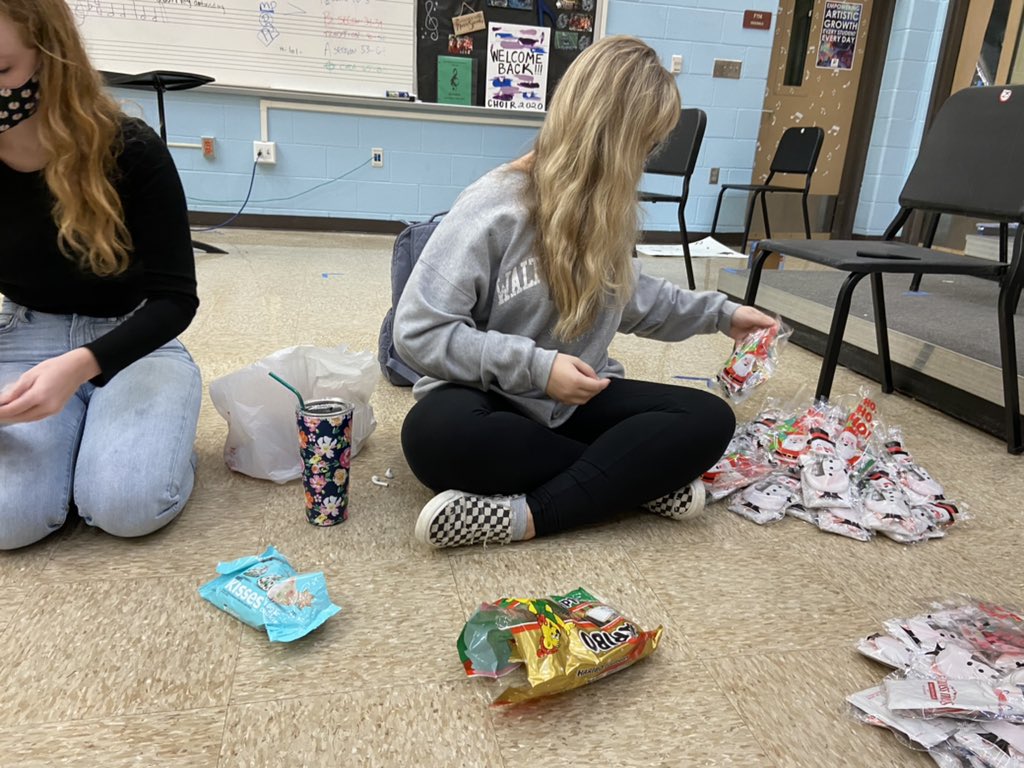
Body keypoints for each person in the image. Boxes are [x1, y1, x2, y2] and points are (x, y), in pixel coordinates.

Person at [394, 35, 777, 550]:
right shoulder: (493, 205)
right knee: (434, 437)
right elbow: (417, 331)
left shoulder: (605, 212)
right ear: (610, 139)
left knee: (708, 420)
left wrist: (723, 315)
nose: (645, 160)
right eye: (643, 145)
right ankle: (628, 482)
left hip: (573, 406)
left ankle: (531, 514)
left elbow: (639, 301)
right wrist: (538, 369)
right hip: (487, 400)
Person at [0, 0, 202, 549]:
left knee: (128, 505)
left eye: (2, 72)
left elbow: (176, 298)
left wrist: (82, 367)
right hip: (23, 339)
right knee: (7, 519)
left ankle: (139, 437)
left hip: (135, 336)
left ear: (51, 57)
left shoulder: (130, 150)